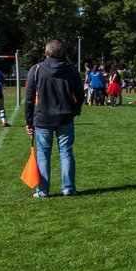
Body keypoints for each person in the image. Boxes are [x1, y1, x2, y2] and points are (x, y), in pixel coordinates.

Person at [24, 39, 84, 198]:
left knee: (44, 154)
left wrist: (29, 121)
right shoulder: (71, 70)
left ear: (46, 53)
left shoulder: (36, 70)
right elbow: (80, 94)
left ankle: (43, 191)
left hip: (43, 119)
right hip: (65, 118)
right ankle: (68, 188)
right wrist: (75, 110)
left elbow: (29, 98)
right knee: (66, 153)